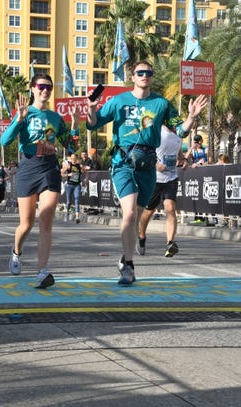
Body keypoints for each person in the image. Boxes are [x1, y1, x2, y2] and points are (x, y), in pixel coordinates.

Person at [86, 60, 207, 285]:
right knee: (130, 213)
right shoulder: (119, 100)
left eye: (148, 73)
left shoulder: (161, 103)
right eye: (140, 72)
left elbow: (179, 130)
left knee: (137, 216)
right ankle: (129, 268)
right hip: (123, 162)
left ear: (151, 76)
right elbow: (92, 124)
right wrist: (92, 109)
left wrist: (191, 117)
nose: (144, 76)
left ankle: (125, 257)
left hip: (148, 164)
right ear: (133, 77)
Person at [0, 73, 80, 289]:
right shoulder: (25, 113)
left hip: (49, 168)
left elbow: (71, 146)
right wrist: (18, 120)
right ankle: (16, 251)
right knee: (26, 224)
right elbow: (4, 141)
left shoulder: (55, 118)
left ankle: (41, 272)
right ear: (33, 88)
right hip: (28, 167)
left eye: (49, 87)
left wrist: (74, 125)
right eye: (41, 86)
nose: (45, 90)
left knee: (46, 221)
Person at [136, 125, 188, 258]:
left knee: (170, 208)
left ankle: (170, 243)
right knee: (148, 211)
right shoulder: (156, 132)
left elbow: (179, 153)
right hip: (154, 178)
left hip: (171, 178)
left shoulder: (179, 134)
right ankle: (141, 236)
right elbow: (143, 152)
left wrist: (184, 161)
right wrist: (155, 164)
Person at [61, 153, 83, 223]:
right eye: (72, 158)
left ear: (77, 159)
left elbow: (85, 172)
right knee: (69, 202)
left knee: (77, 200)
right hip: (69, 185)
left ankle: (77, 217)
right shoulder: (68, 165)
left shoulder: (79, 166)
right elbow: (61, 173)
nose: (73, 160)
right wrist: (68, 174)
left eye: (74, 158)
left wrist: (85, 179)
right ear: (70, 158)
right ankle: (66, 214)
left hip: (77, 185)